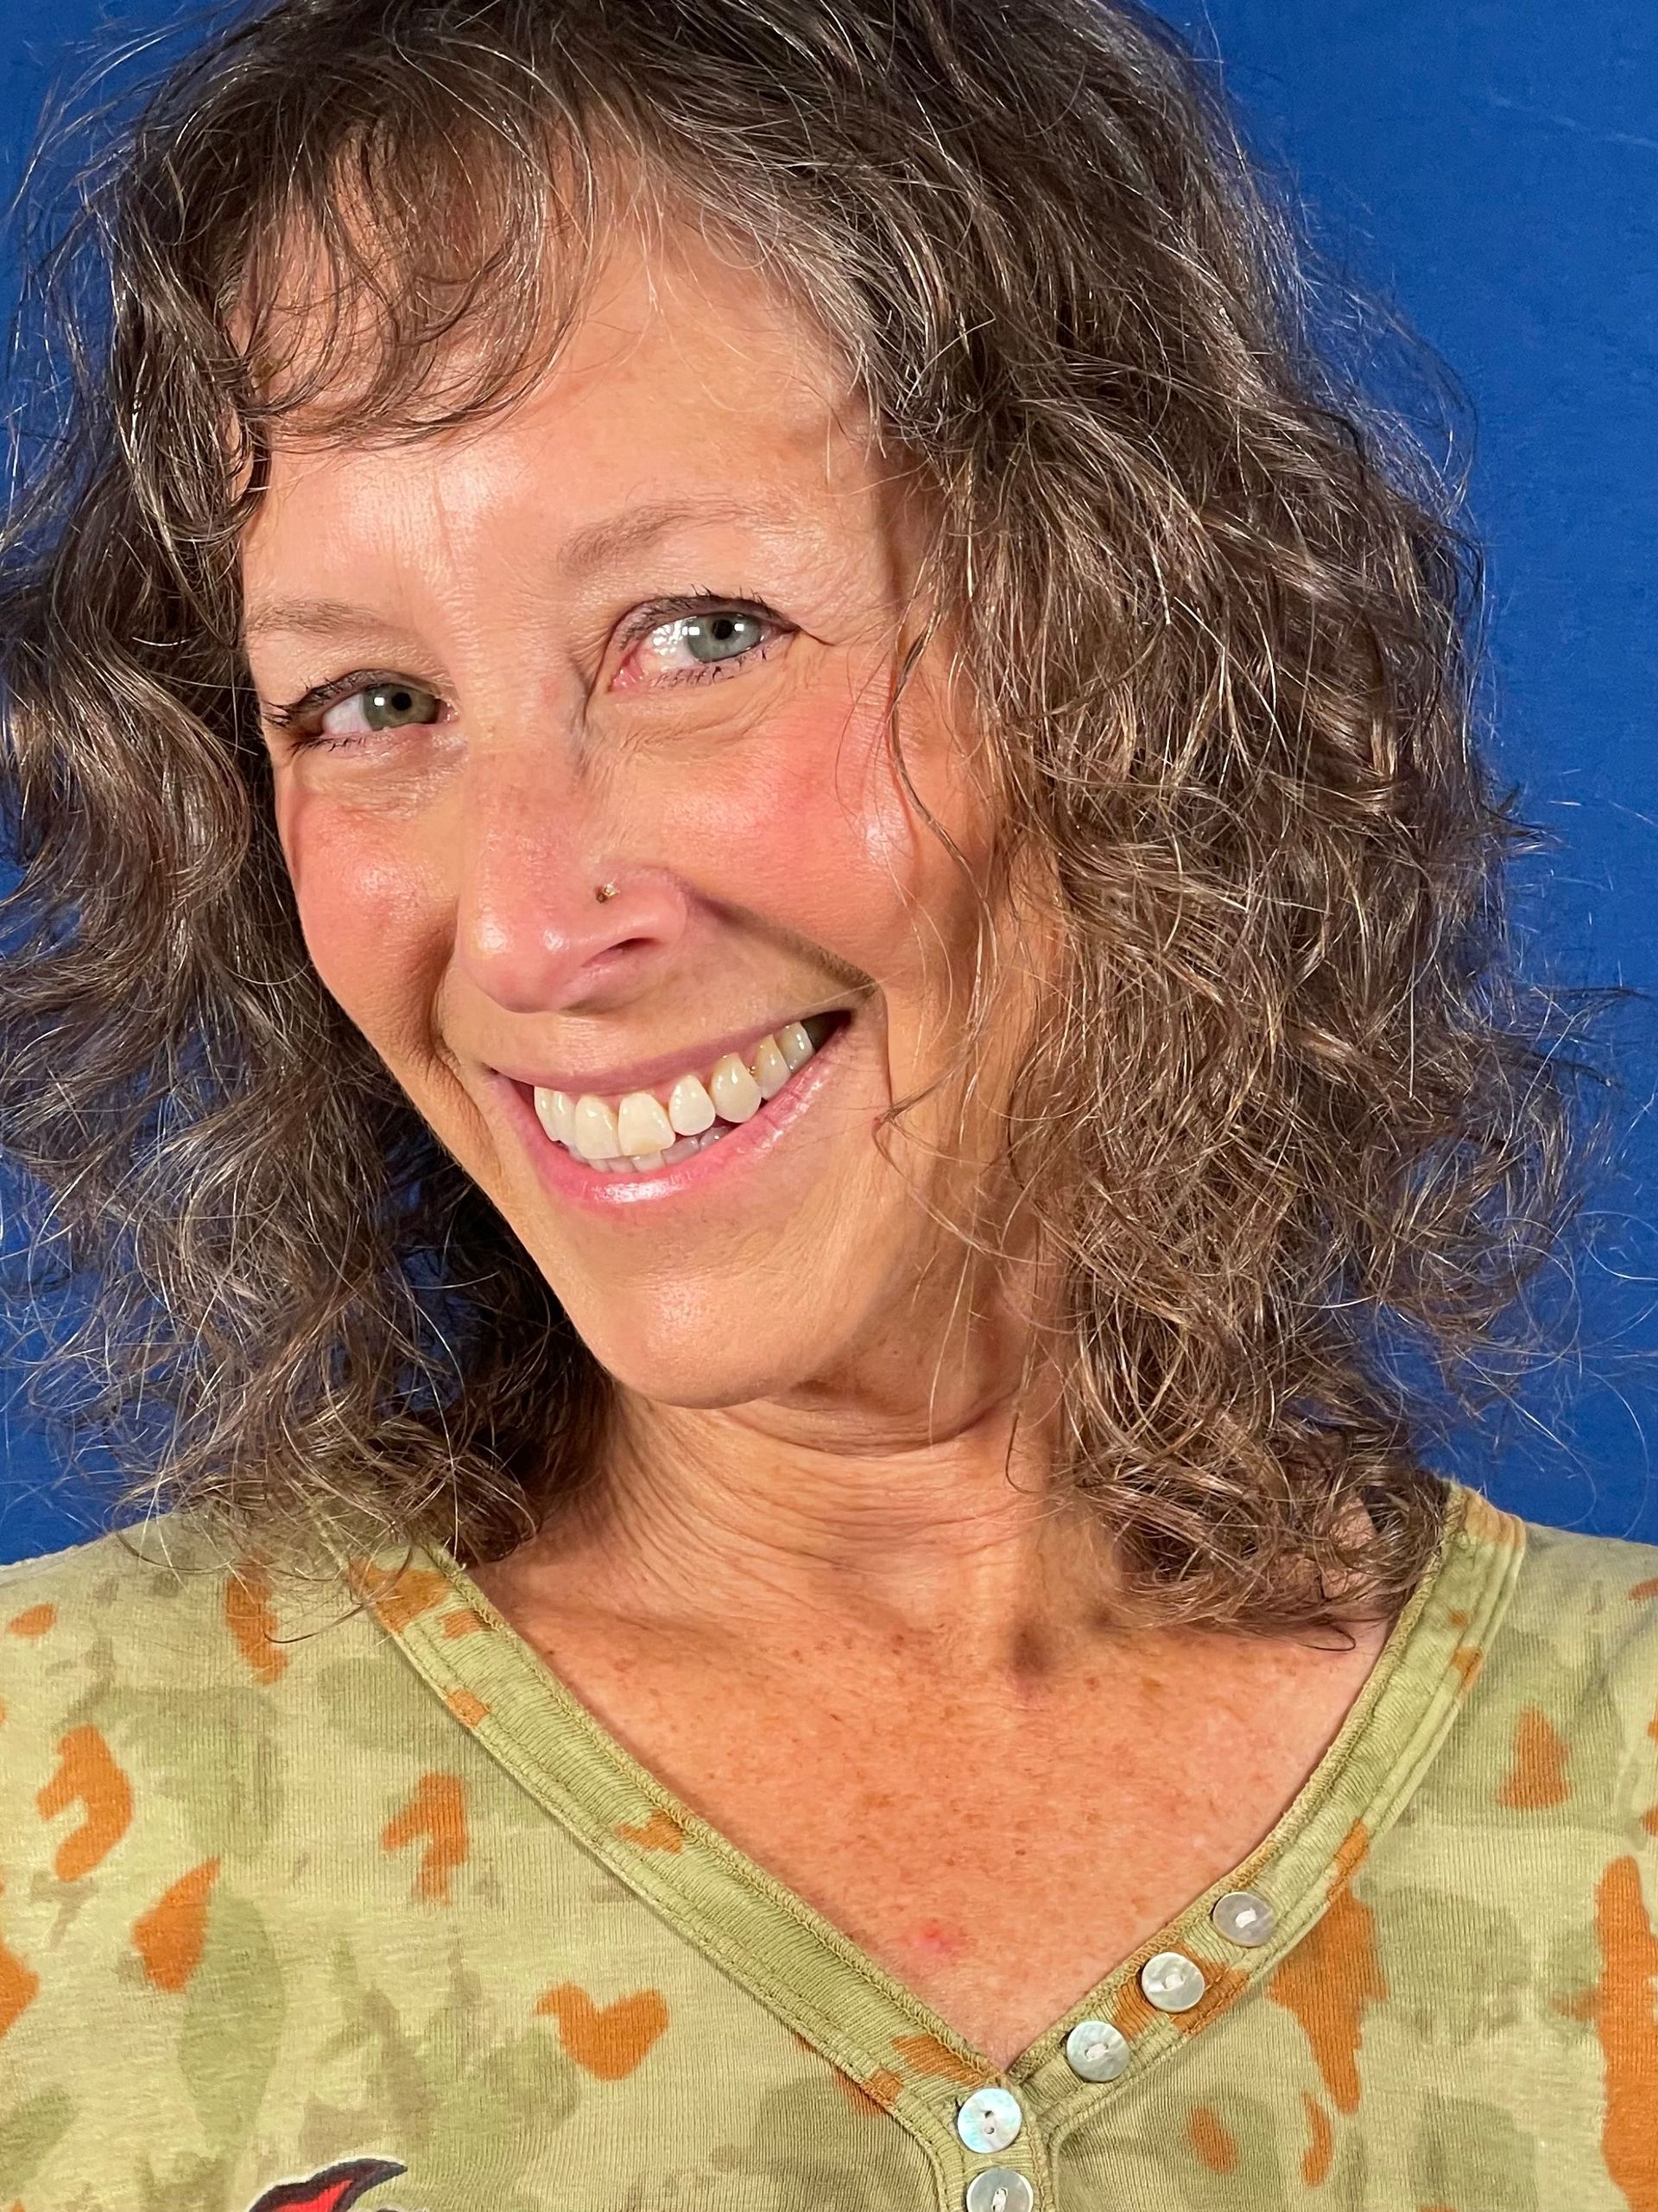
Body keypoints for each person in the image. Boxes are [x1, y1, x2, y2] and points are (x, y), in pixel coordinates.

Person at [0, 0, 1653, 2206]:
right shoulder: (46, 1826)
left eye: (700, 634)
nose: (527, 925)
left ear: (1132, 646)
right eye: (368, 701)